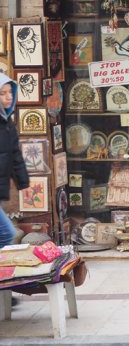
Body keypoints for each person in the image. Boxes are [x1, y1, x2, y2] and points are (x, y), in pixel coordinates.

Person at [0, 74, 30, 307]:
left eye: (10, 92)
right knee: (6, 233)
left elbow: (15, 155)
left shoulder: (6, 122)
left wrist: (24, 183)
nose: (8, 97)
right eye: (2, 93)